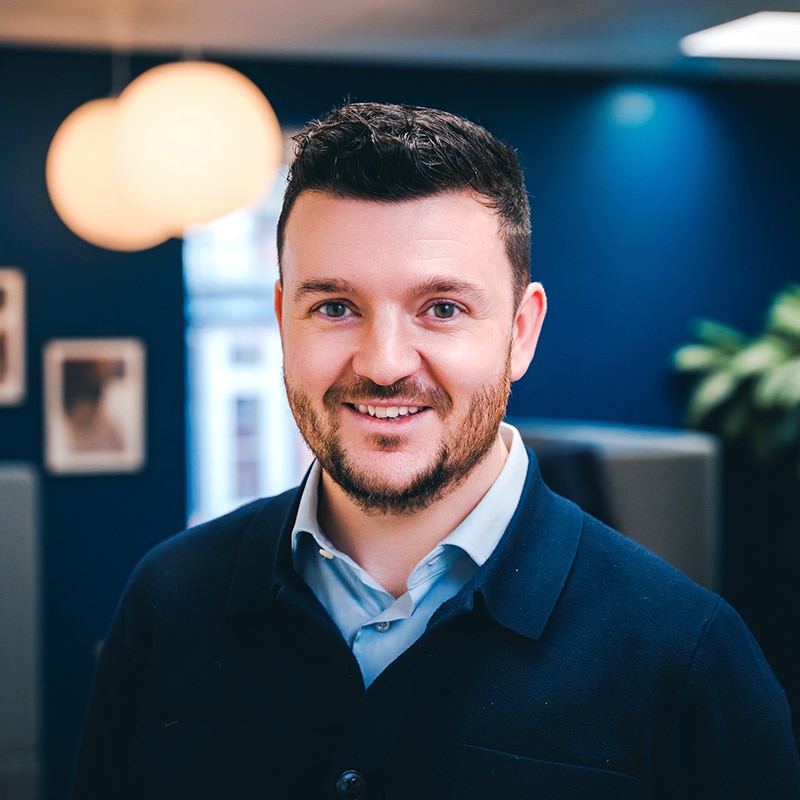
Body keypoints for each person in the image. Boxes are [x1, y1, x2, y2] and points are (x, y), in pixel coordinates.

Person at [71, 101, 800, 800]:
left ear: (521, 331)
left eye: (442, 309)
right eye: (334, 307)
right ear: (281, 320)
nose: (384, 362)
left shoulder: (687, 655)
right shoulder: (167, 601)